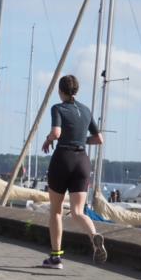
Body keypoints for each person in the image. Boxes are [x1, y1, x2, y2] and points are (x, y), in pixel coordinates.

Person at [41, 75, 106, 269]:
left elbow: (56, 133)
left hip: (63, 159)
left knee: (56, 210)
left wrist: (48, 139)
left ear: (60, 91)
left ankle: (55, 258)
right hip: (82, 161)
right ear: (76, 90)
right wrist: (80, 140)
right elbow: (99, 139)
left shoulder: (58, 108)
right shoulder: (86, 110)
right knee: (78, 211)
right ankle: (94, 236)